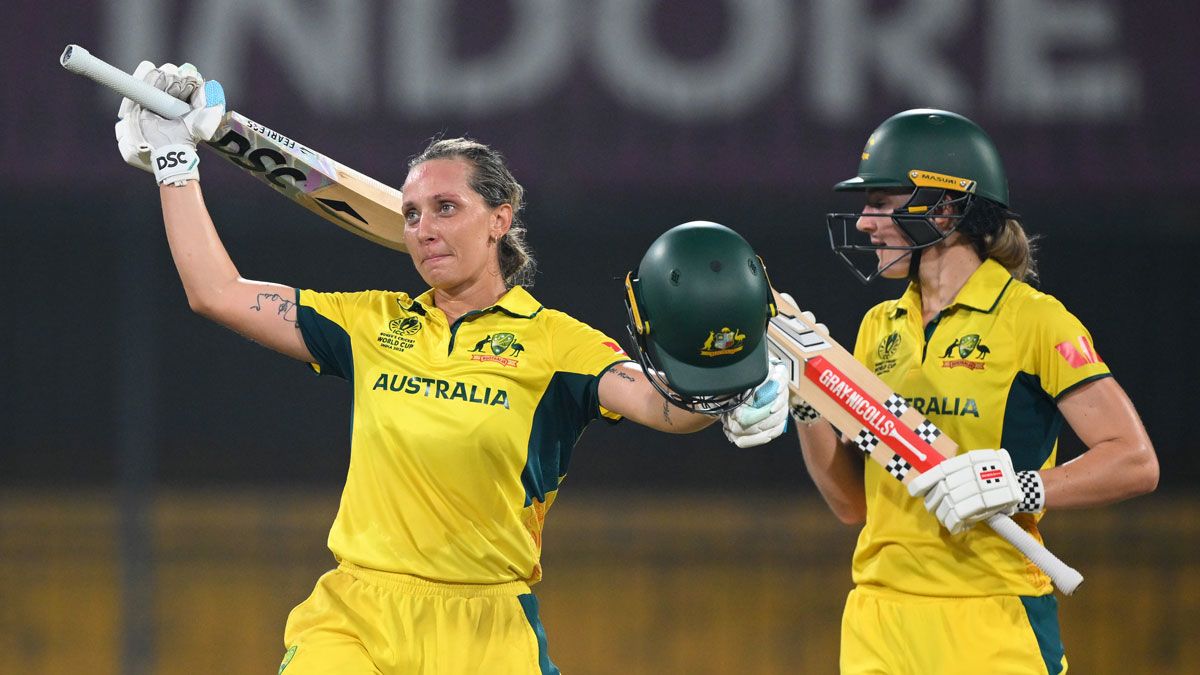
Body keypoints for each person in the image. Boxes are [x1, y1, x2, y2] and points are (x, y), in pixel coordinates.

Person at [111, 62, 789, 674]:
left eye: (445, 209)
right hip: (358, 617)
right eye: (410, 214)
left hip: (488, 628)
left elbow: (661, 406)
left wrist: (728, 388)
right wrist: (175, 162)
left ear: (500, 220)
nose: (423, 229)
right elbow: (217, 292)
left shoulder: (557, 343)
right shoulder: (369, 323)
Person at [725, 108, 1159, 673]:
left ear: (945, 208)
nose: (864, 223)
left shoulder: (1035, 320)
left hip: (991, 618)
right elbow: (853, 505)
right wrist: (808, 400)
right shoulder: (879, 326)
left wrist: (1019, 487)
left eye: (881, 203)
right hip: (878, 620)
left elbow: (1134, 462)